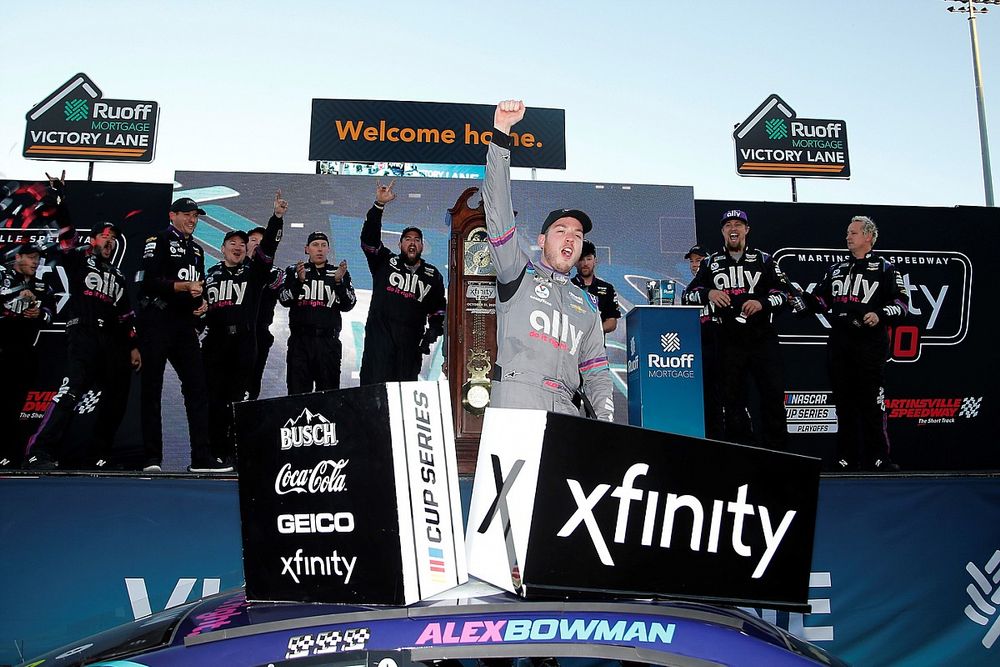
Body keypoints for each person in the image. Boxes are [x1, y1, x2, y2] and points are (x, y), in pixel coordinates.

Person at [483, 100, 613, 420]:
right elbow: (498, 210)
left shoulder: (588, 304)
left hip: (565, 412)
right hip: (516, 402)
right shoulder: (517, 272)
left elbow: (596, 372)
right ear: (541, 240)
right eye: (561, 230)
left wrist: (608, 427)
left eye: (578, 234)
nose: (570, 238)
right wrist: (501, 134)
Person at [24, 174, 142, 470]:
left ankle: (98, 455)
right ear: (94, 239)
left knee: (116, 396)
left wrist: (133, 346)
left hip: (111, 342)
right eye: (105, 236)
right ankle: (38, 450)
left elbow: (126, 315)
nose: (110, 242)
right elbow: (65, 234)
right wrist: (60, 198)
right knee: (71, 391)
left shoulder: (118, 276)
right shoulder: (79, 257)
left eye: (114, 239)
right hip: (83, 333)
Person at [802, 216, 909, 472]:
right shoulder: (836, 269)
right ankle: (845, 458)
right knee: (844, 405)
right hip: (840, 343)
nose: (848, 237)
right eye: (847, 233)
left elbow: (903, 304)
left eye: (853, 233)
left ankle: (879, 458)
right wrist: (801, 301)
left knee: (872, 404)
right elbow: (820, 300)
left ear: (868, 237)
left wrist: (879, 314)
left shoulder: (886, 269)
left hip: (869, 344)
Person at [684, 210, 792, 450]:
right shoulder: (711, 263)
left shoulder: (764, 259)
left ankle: (778, 453)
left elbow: (786, 295)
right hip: (728, 341)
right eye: (729, 225)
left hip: (762, 338)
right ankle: (741, 451)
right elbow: (687, 295)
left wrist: (762, 303)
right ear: (722, 231)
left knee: (772, 396)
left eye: (739, 224)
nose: (734, 228)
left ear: (747, 230)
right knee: (732, 400)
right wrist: (708, 293)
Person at [137, 197, 227, 473]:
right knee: (151, 389)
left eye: (196, 216)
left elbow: (195, 286)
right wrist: (182, 286)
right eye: (187, 215)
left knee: (198, 389)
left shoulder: (198, 251)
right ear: (172, 215)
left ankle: (201, 458)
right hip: (157, 323)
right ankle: (152, 458)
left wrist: (199, 305)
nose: (193, 220)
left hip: (184, 327)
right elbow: (148, 281)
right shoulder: (157, 240)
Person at [202, 192, 285, 464]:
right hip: (215, 344)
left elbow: (269, 249)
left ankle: (241, 455)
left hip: (245, 343)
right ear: (223, 247)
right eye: (232, 243)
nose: (238, 247)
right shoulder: (209, 274)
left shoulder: (255, 273)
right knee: (214, 400)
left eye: (242, 243)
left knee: (241, 400)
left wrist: (276, 218)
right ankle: (215, 454)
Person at [359, 179, 446, 384]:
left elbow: (438, 309)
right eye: (407, 239)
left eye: (417, 239)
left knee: (402, 401)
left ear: (422, 246)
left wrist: (433, 330)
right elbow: (369, 240)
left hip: (409, 348)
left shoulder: (432, 275)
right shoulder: (384, 261)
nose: (412, 242)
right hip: (378, 345)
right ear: (400, 244)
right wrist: (378, 206)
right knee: (373, 399)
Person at [279, 231, 356, 394]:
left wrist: (338, 283)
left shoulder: (339, 273)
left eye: (323, 245)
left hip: (328, 343)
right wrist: (299, 282)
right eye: (315, 245)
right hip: (300, 343)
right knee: (297, 395)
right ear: (306, 249)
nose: (319, 249)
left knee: (328, 396)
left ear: (328, 249)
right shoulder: (294, 270)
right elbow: (284, 299)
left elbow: (348, 304)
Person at [1, 242, 54, 468]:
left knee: (16, 407)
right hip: (2, 351)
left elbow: (52, 312)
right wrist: (20, 301)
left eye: (38, 258)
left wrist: (39, 313)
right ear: (18, 257)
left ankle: (9, 456)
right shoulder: (4, 277)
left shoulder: (41, 286)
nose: (35, 262)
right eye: (31, 257)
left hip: (24, 354)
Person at [681, 243, 724, 440]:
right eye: (692, 261)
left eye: (699, 260)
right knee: (707, 394)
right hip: (700, 344)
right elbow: (687, 299)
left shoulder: (722, 282)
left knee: (723, 393)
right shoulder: (690, 287)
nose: (694, 265)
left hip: (722, 341)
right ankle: (711, 438)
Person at [246, 226, 284, 400]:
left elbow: (280, 292)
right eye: (253, 240)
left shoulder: (275, 274)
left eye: (262, 242)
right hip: (229, 334)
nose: (257, 245)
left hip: (259, 333)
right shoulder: (226, 270)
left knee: (252, 382)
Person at [571, 240, 622, 334]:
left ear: (595, 260)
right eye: (581, 259)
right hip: (569, 344)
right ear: (574, 262)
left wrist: (593, 332)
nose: (585, 263)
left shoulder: (607, 288)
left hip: (596, 346)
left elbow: (612, 322)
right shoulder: (566, 286)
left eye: (589, 259)